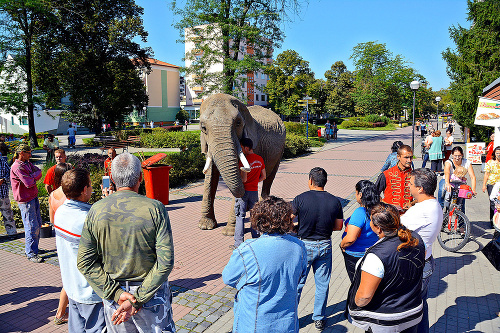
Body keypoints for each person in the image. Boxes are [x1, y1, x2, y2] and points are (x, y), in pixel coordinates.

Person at [77, 152, 175, 332]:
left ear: (112, 178)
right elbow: (165, 262)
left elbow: (85, 262)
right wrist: (137, 298)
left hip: (116, 299)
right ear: (140, 177)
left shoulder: (96, 211)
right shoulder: (155, 209)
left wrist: (118, 294)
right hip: (151, 295)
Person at [223, 196, 307, 333]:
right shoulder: (299, 247)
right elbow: (299, 278)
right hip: (287, 324)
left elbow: (228, 277)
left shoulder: (248, 250)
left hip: (254, 324)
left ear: (259, 220)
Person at [347, 203, 425, 333]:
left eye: (371, 221)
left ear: (378, 228)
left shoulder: (377, 255)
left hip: (386, 320)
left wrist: (355, 301)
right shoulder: (416, 238)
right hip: (412, 312)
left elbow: (364, 298)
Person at [292, 167, 343, 331]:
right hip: (325, 245)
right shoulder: (334, 201)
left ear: (310, 181)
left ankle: (292, 318)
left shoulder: (300, 199)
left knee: (298, 284)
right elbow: (338, 226)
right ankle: (319, 318)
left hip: (304, 245)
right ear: (325, 182)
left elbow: (288, 220)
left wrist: (297, 228)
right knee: (322, 285)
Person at [55, 169, 105, 332]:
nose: (92, 188)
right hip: (91, 292)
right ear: (84, 190)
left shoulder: (61, 212)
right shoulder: (89, 219)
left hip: (71, 287)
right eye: (90, 185)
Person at [401, 168, 443, 333]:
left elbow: (397, 228)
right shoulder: (433, 204)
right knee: (420, 306)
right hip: (425, 261)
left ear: (420, 189)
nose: (408, 187)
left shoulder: (421, 210)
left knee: (410, 311)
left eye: (410, 184)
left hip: (415, 266)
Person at [340, 180, 380, 282]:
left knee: (357, 285)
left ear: (360, 194)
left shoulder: (360, 212)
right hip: (373, 252)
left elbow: (350, 238)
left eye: (356, 192)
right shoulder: (378, 209)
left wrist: (342, 245)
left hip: (356, 255)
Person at [10, 144, 43, 263]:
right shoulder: (17, 167)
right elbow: (28, 183)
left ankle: (34, 249)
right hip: (25, 200)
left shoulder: (27, 163)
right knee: (31, 226)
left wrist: (33, 175)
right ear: (21, 153)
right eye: (28, 152)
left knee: (38, 223)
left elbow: (39, 172)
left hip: (32, 196)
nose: (30, 154)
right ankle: (31, 253)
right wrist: (34, 176)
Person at [233, 138, 266, 248]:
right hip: (254, 191)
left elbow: (244, 180)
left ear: (247, 148)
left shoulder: (244, 161)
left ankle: (238, 243)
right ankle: (255, 238)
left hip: (243, 192)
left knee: (240, 216)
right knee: (254, 215)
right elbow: (264, 176)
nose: (241, 150)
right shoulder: (260, 159)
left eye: (242, 148)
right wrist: (256, 181)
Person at [375, 144, 414, 210]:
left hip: (408, 215)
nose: (409, 160)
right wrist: (388, 205)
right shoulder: (386, 174)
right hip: (389, 214)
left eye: (411, 157)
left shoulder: (415, 175)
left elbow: (423, 196)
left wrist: (412, 203)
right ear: (398, 157)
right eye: (406, 157)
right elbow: (374, 195)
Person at [440, 146, 477, 213]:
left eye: (459, 156)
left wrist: (473, 190)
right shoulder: (448, 162)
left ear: (462, 155)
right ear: (452, 155)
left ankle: (462, 221)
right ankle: (442, 209)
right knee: (442, 190)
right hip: (448, 180)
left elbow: (472, 177)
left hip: (460, 181)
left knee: (462, 198)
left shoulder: (467, 162)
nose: (457, 158)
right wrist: (447, 183)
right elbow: (447, 173)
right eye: (455, 155)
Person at [483, 146, 500, 225]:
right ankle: (493, 220)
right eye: (497, 153)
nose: (498, 155)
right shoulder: (490, 162)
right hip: (492, 184)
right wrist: (484, 185)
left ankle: (498, 220)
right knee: (493, 202)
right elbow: (486, 174)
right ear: (494, 154)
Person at [0, 151, 16, 238]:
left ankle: (12, 232)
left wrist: (3, 180)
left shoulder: (2, 161)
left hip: (3, 193)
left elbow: (10, 174)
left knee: (7, 214)